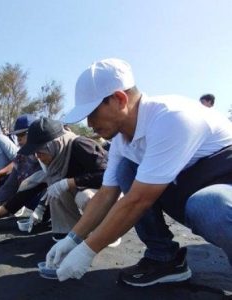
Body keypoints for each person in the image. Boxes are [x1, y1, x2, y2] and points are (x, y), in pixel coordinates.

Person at [45, 58, 232, 285]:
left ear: (120, 99)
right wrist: (73, 238)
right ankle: (163, 258)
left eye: (92, 113)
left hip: (223, 186)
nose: (90, 123)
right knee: (126, 169)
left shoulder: (171, 117)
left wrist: (87, 251)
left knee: (209, 205)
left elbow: (138, 200)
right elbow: (106, 194)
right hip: (189, 187)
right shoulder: (121, 141)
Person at [19, 117, 108, 241]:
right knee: (56, 189)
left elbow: (108, 174)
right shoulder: (56, 158)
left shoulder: (79, 145)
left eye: (40, 152)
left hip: (109, 195)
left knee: (86, 197)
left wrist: (71, 182)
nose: (37, 156)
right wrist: (40, 207)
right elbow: (54, 186)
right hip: (83, 189)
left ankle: (105, 231)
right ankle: (69, 232)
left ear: (52, 145)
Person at [0, 114, 47, 231]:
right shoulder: (22, 156)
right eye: (17, 135)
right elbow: (9, 186)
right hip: (34, 196)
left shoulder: (50, 149)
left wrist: (42, 206)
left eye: (22, 135)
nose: (18, 139)